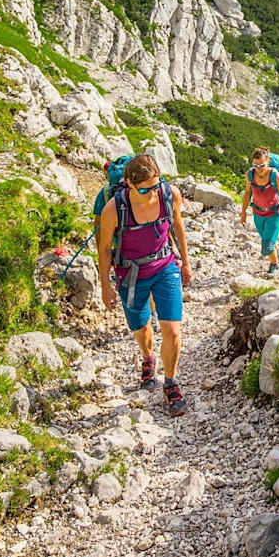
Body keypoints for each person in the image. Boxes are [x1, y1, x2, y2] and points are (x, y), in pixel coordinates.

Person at [97, 153, 192, 416]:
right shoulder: (113, 209)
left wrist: (186, 262)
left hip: (165, 266)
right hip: (131, 274)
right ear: (129, 183)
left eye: (155, 185)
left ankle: (171, 383)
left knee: (173, 331)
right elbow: (104, 248)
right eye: (144, 189)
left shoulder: (168, 194)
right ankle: (148, 358)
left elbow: (178, 227)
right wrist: (105, 285)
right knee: (141, 328)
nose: (152, 193)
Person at [240, 146, 279, 276]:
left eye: (262, 165)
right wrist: (243, 212)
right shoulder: (250, 174)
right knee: (267, 240)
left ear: (268, 161)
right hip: (258, 214)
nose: (259, 168)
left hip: (274, 214)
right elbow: (247, 193)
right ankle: (277, 253)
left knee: (266, 247)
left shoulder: (275, 176)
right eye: (255, 165)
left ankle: (274, 265)